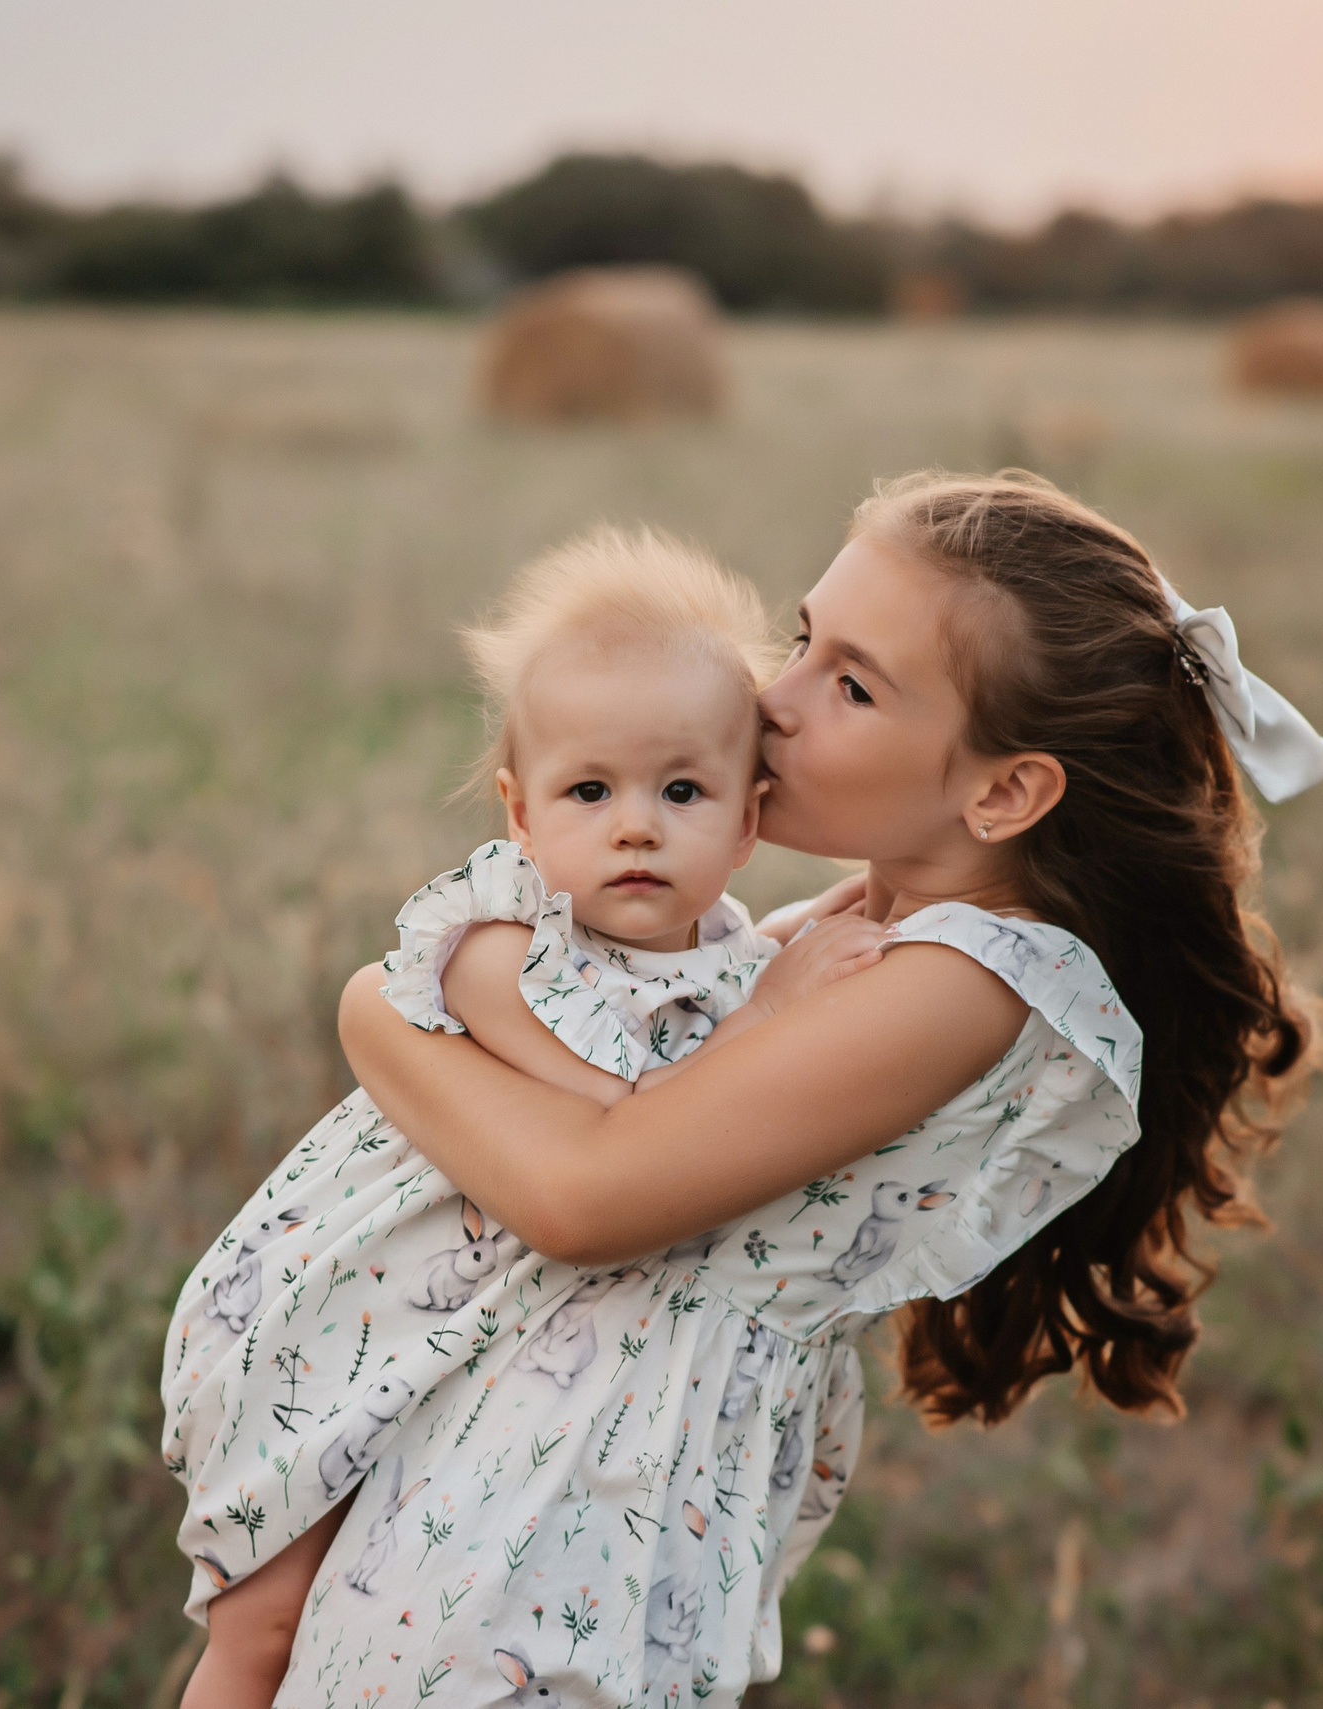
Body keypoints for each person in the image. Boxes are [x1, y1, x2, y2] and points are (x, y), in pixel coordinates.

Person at [325, 470, 1323, 1705]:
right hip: (542, 1433)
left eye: (849, 683)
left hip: (586, 1489)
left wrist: (378, 1010)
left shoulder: (962, 981)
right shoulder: (871, 912)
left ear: (1005, 790)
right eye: (802, 640)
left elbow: (583, 1192)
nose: (773, 697)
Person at [160, 527, 886, 1708]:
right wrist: (737, 1031)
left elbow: (735, 1003)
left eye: (682, 790)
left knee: (377, 1595)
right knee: (264, 1614)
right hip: (354, 1316)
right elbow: (616, 1105)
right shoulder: (498, 939)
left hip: (491, 1354)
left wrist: (805, 945)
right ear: (520, 809)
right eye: (589, 790)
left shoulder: (721, 957)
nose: (635, 824)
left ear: (747, 824)